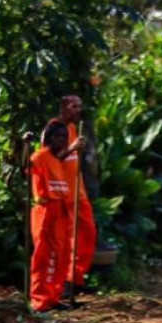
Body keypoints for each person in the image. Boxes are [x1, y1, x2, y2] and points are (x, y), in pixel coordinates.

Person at [29, 119, 72, 312]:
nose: (61, 140)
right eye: (57, 136)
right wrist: (24, 146)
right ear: (49, 138)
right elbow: (26, 167)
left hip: (60, 211)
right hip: (45, 209)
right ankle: (40, 300)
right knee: (43, 255)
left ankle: (53, 296)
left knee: (60, 254)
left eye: (64, 137)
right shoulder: (39, 157)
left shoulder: (57, 160)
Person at [59, 95, 96, 294]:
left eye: (79, 106)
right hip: (63, 191)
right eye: (73, 106)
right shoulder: (55, 128)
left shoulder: (73, 128)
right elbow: (49, 156)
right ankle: (66, 281)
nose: (78, 110)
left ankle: (77, 277)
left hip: (78, 191)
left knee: (86, 234)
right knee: (68, 237)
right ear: (63, 108)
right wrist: (72, 147)